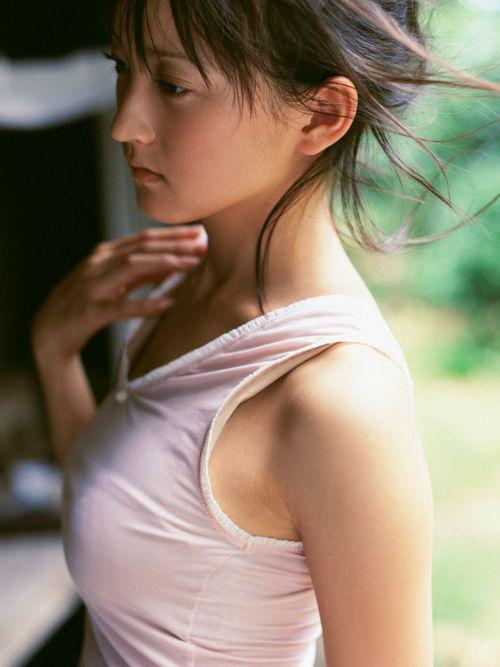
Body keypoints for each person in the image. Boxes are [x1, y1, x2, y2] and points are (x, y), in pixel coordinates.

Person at [30, 0, 498, 665]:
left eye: (173, 85)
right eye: (121, 67)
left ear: (321, 114)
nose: (124, 123)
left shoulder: (336, 401)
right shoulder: (185, 285)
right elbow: (134, 518)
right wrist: (56, 355)